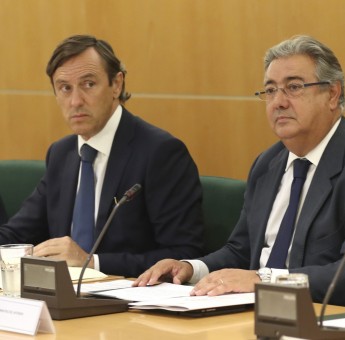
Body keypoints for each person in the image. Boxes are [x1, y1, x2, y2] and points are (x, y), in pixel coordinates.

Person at [134, 35, 345, 309]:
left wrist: (264, 281)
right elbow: (241, 251)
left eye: (294, 87)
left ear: (332, 94)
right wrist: (191, 269)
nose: (279, 101)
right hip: (267, 314)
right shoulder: (269, 163)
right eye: (271, 89)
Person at [0, 35, 204, 278]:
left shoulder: (160, 152)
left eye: (88, 84)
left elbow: (183, 254)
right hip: (65, 298)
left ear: (116, 85)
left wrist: (91, 262)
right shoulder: (61, 154)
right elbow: (16, 235)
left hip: (131, 303)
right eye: (65, 88)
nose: (75, 101)